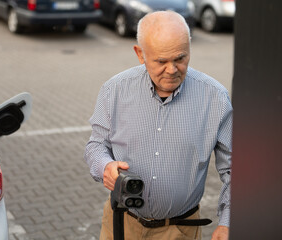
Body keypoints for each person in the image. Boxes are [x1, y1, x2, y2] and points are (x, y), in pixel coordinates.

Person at [84, 11, 232, 240]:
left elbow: (234, 170)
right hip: (120, 225)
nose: (172, 70)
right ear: (140, 54)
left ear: (189, 48)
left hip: (180, 230)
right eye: (161, 61)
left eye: (180, 58)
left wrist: (227, 222)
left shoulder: (216, 98)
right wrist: (105, 166)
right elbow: (96, 145)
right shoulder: (114, 90)